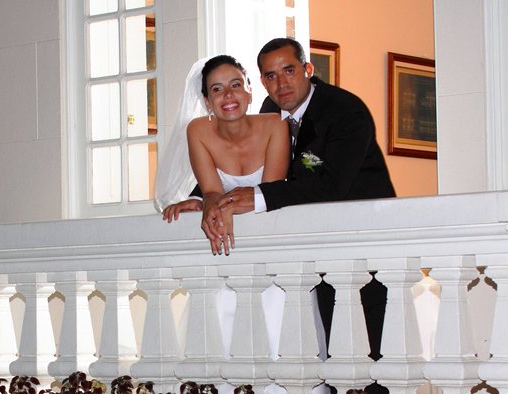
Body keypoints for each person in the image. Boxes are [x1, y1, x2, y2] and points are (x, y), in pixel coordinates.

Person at [199, 37, 396, 252]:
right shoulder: (270, 109)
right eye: (271, 76)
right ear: (263, 82)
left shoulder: (345, 112)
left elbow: (332, 186)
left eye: (289, 71)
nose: (281, 84)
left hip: (367, 233)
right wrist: (202, 197)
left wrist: (259, 197)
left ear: (308, 70)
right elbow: (240, 158)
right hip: (309, 235)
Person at [155, 55, 288, 255]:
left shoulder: (276, 125)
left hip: (273, 232)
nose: (228, 94)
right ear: (207, 102)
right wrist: (204, 203)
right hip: (227, 239)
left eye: (236, 85)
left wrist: (214, 204)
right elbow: (212, 191)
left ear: (249, 92)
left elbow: (269, 194)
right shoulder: (197, 131)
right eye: (217, 89)